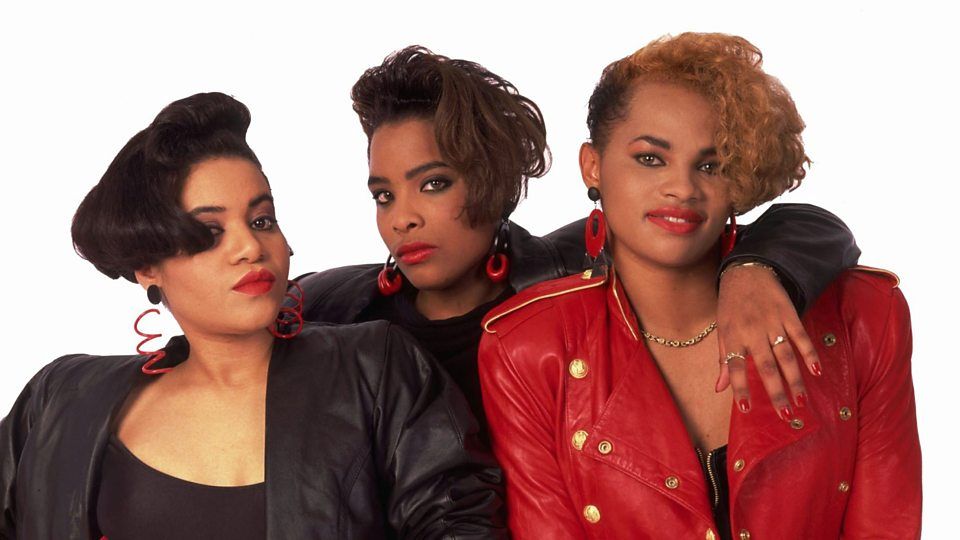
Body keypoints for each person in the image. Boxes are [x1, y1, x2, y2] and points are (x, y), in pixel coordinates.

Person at [0, 92, 505, 539]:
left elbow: (460, 521)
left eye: (262, 220)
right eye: (210, 232)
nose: (250, 246)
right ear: (147, 268)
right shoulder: (60, 398)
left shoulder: (375, 369)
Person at [298, 46, 862, 445]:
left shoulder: (575, 267)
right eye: (383, 195)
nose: (403, 218)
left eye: (433, 184)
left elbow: (812, 227)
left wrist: (755, 270)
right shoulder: (339, 308)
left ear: (493, 180)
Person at [477, 33, 921, 539]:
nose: (682, 188)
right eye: (650, 158)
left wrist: (755, 270)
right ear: (592, 166)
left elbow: (886, 525)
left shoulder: (864, 315)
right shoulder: (526, 347)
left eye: (711, 166)